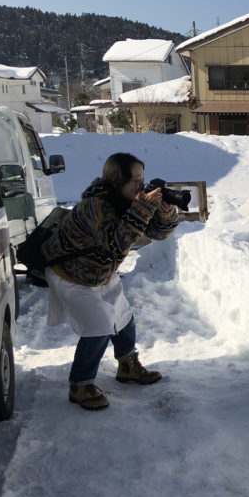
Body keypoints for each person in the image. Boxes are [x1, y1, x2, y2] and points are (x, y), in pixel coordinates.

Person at [41, 152, 179, 411]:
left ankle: (128, 366)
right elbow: (116, 240)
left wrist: (164, 211)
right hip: (71, 274)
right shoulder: (97, 205)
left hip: (100, 272)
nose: (142, 184)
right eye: (136, 179)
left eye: (143, 177)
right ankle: (80, 385)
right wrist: (144, 207)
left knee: (122, 314)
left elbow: (157, 234)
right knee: (100, 324)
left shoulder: (126, 201)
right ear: (118, 181)